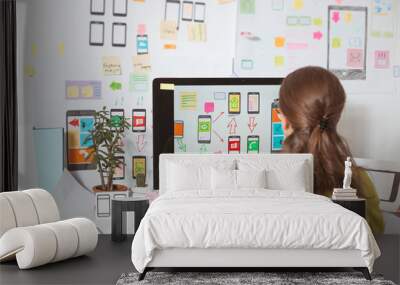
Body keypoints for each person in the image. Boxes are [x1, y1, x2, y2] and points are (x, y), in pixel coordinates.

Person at [278, 66, 384, 234]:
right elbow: (376, 239)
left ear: (284, 121)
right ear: (337, 116)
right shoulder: (361, 183)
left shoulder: (270, 184)